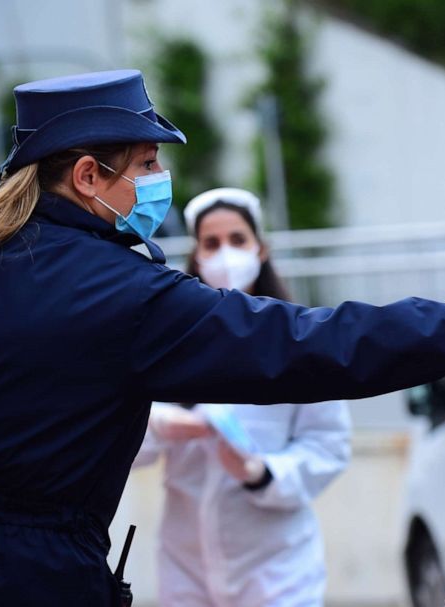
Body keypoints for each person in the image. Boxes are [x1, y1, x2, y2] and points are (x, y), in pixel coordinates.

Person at [0, 69, 445, 606]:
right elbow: (305, 345)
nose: (160, 178)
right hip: (27, 575)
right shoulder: (118, 294)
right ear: (89, 175)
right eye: (146, 163)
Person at [132, 187, 350, 606]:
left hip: (278, 568)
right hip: (186, 565)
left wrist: (262, 472)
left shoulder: (300, 340)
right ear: (196, 255)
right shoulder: (170, 339)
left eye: (237, 240)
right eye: (211, 244)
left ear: (261, 248)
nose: (226, 256)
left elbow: (329, 445)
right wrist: (158, 426)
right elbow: (119, 439)